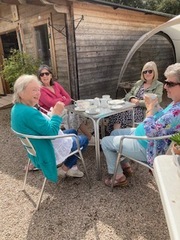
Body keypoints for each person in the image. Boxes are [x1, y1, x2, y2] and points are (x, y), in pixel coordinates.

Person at [101, 63, 180, 187]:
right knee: (114, 132)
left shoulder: (177, 112)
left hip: (146, 145)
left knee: (105, 142)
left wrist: (149, 108)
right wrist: (155, 106)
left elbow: (150, 131)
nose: (165, 86)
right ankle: (125, 165)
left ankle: (118, 177)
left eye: (170, 84)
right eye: (165, 82)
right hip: (141, 135)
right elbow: (162, 116)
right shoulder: (175, 103)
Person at [11, 74, 89, 183]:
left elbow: (41, 125)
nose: (38, 93)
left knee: (73, 131)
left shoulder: (17, 108)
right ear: (21, 93)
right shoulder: (29, 113)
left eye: (38, 90)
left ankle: (72, 165)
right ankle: (64, 169)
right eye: (34, 90)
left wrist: (52, 116)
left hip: (39, 144)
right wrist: (56, 114)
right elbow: (52, 133)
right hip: (46, 149)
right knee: (84, 139)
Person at [37, 64, 95, 145]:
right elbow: (51, 103)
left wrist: (60, 100)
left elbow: (68, 97)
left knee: (81, 113)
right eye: (42, 74)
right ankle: (88, 138)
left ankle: (84, 136)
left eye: (46, 73)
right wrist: (62, 98)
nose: (44, 76)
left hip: (64, 110)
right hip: (52, 114)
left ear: (50, 75)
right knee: (74, 116)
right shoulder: (40, 90)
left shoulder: (56, 85)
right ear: (39, 77)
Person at [107, 61, 163, 133]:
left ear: (154, 72)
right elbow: (128, 94)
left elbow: (157, 99)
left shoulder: (158, 85)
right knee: (115, 112)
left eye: (150, 71)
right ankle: (115, 134)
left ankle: (115, 135)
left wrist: (138, 102)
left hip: (143, 110)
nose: (147, 74)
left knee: (119, 114)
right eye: (145, 72)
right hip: (131, 107)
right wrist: (132, 98)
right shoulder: (139, 83)